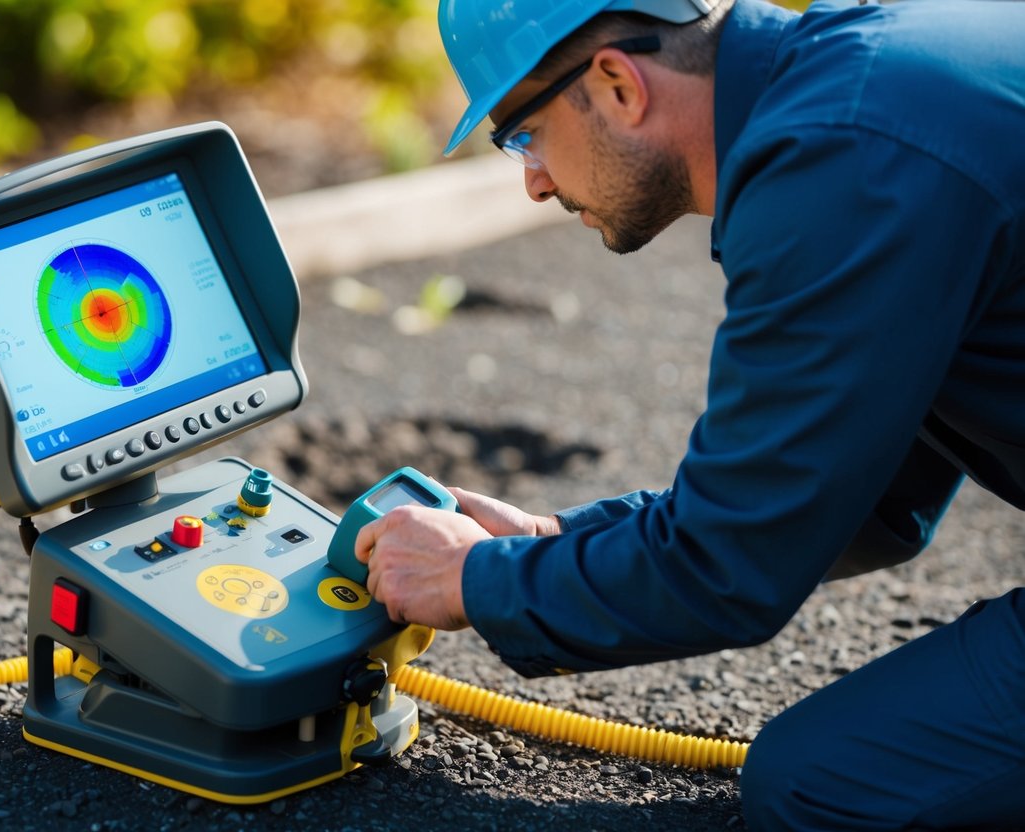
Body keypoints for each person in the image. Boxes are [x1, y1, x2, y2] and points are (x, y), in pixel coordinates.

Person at [353, 0, 1025, 828]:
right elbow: (869, 498)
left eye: (521, 134)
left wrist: (471, 579)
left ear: (616, 85)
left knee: (823, 785)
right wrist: (552, 545)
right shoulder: (870, 79)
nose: (531, 181)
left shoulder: (843, 164)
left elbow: (729, 564)